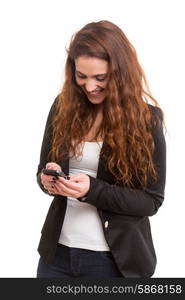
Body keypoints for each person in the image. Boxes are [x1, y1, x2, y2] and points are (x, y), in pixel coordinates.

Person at [36, 20, 166, 278]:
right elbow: (42, 170)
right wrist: (48, 177)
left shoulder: (146, 120)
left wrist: (91, 190)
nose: (89, 86)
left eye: (100, 78)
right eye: (81, 76)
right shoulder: (62, 107)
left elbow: (151, 200)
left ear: (120, 73)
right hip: (56, 256)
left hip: (110, 262)